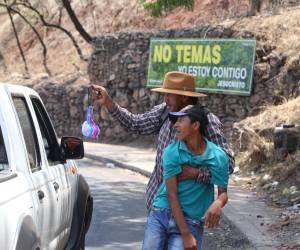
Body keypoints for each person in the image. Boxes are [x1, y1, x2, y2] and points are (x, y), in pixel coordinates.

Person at [90, 71, 234, 213]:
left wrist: (197, 173)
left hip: (188, 212)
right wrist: (108, 102)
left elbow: (227, 164)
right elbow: (136, 124)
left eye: (169, 95)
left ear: (183, 97)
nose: (165, 100)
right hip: (157, 206)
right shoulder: (164, 112)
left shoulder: (206, 121)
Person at [142, 105, 229, 250]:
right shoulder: (171, 152)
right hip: (161, 214)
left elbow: (223, 193)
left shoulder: (218, 156)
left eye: (181, 120)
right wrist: (186, 234)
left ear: (195, 125)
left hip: (191, 219)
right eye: (175, 120)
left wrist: (218, 203)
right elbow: (171, 194)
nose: (175, 125)